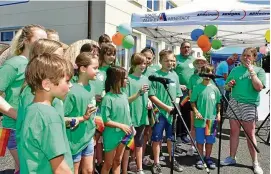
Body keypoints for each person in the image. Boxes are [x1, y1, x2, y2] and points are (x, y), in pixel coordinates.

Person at [0, 24, 47, 174]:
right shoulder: (13, 64)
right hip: (15, 127)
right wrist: (19, 115)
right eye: (40, 39)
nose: (43, 44)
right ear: (26, 41)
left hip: (32, 126)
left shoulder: (37, 65)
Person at [19, 53, 73, 173]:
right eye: (67, 81)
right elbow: (60, 167)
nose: (70, 85)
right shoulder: (49, 116)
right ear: (47, 84)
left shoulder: (31, 109)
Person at [221, 47, 266, 174]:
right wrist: (229, 85)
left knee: (250, 135)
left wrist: (252, 71)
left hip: (249, 104)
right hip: (234, 102)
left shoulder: (259, 70)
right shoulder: (235, 69)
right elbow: (226, 86)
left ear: (254, 57)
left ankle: (255, 163)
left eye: (249, 56)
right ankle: (232, 157)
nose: (246, 58)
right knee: (234, 132)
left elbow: (258, 87)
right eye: (244, 55)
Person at [16, 38, 64, 151]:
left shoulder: (50, 89)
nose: (63, 61)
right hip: (44, 160)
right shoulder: (32, 93)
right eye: (59, 57)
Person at [63, 52, 98, 174]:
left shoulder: (92, 87)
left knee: (89, 170)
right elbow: (63, 118)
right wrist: (83, 117)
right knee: (74, 170)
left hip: (88, 137)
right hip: (74, 140)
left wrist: (92, 132)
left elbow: (92, 116)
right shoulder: (71, 91)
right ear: (83, 68)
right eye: (95, 68)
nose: (97, 71)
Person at [149, 49, 183, 174]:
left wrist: (176, 106)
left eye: (172, 60)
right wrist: (166, 107)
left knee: (171, 137)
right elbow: (152, 95)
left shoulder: (175, 76)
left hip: (172, 113)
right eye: (167, 60)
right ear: (161, 61)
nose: (170, 63)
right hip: (160, 113)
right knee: (157, 138)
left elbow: (178, 93)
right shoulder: (155, 76)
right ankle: (156, 162)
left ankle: (172, 159)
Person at [101, 66, 133, 174]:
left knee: (118, 161)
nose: (127, 80)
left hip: (125, 134)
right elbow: (105, 120)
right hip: (111, 135)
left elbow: (126, 115)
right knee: (108, 163)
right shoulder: (107, 98)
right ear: (116, 80)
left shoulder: (124, 95)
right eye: (125, 78)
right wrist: (121, 126)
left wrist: (130, 126)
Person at [122, 53, 150, 174]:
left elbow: (146, 95)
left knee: (139, 143)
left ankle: (140, 168)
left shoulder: (145, 79)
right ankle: (124, 170)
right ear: (134, 64)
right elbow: (125, 100)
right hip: (130, 117)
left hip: (142, 116)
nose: (142, 66)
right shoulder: (128, 79)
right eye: (140, 63)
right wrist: (139, 93)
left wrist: (148, 100)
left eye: (144, 63)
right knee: (128, 145)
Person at [90, 43, 116, 172]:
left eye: (114, 54)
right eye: (108, 54)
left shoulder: (114, 71)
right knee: (95, 139)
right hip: (97, 110)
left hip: (110, 111)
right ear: (102, 55)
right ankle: (95, 164)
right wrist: (93, 97)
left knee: (108, 139)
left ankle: (106, 163)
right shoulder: (96, 70)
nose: (112, 57)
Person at [190, 64, 221, 170]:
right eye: (205, 73)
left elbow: (218, 103)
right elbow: (192, 102)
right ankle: (200, 157)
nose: (207, 76)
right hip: (200, 120)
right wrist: (196, 111)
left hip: (211, 120)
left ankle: (208, 158)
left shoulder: (215, 89)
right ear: (201, 74)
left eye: (210, 74)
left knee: (209, 140)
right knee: (200, 140)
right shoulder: (197, 87)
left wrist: (218, 113)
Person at [140, 47, 160, 166]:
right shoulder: (136, 69)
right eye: (145, 57)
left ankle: (144, 156)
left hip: (151, 105)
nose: (147, 60)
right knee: (139, 132)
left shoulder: (154, 71)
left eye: (149, 58)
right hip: (140, 103)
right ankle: (135, 158)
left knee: (148, 131)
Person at [186, 56, 208, 156]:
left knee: (204, 127)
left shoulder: (207, 76)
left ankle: (202, 147)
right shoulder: (192, 77)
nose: (200, 63)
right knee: (193, 127)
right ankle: (191, 146)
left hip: (205, 105)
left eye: (202, 62)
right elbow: (190, 91)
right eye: (198, 62)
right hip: (194, 105)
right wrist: (193, 103)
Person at [174, 41, 195, 143]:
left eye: (188, 47)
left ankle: (184, 134)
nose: (186, 49)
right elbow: (170, 72)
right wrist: (178, 85)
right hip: (179, 91)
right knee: (179, 113)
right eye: (184, 47)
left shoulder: (193, 60)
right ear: (180, 48)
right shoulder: (175, 59)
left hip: (190, 91)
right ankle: (177, 134)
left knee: (187, 113)